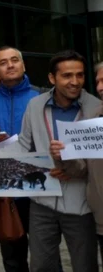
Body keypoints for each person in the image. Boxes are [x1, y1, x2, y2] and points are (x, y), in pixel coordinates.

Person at [21, 50, 98, 272]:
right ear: (52, 78)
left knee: (85, 266)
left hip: (81, 205)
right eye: (67, 76)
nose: (75, 82)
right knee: (41, 266)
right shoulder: (35, 106)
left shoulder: (95, 109)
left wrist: (73, 169)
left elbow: (97, 162)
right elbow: (24, 146)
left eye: (80, 75)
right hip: (42, 202)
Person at [0, 46, 44, 272]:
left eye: (15, 60)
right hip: (7, 190)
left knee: (45, 256)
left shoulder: (42, 95)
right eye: (4, 63)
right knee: (12, 259)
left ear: (23, 65)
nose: (10, 65)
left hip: (40, 187)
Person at [85, 61, 103, 263]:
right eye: (97, 81)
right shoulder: (92, 119)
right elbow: (83, 167)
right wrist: (61, 157)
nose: (99, 87)